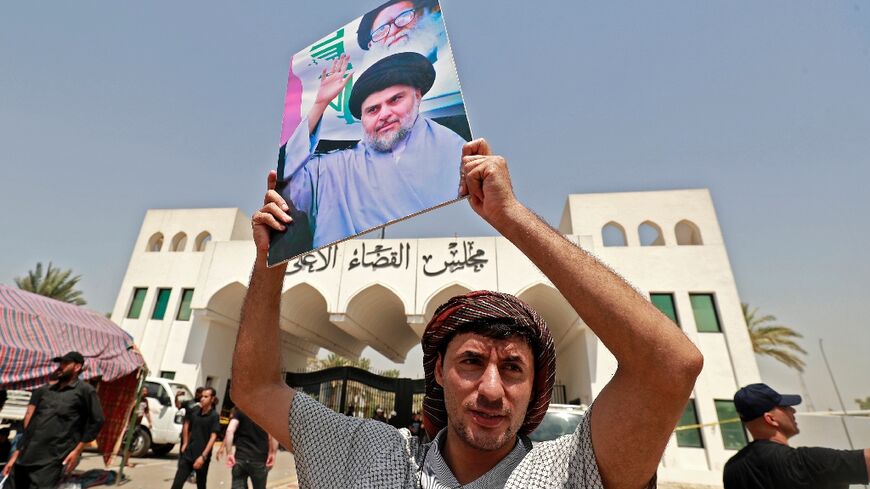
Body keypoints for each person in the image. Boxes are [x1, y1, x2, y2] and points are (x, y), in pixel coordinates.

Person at [233, 138, 705, 488]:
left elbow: (669, 365)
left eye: (514, 367)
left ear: (536, 383)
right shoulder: (369, 455)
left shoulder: (570, 471)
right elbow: (256, 389)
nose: (492, 390)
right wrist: (270, 259)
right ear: (437, 370)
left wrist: (511, 217)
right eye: (472, 362)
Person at [280, 51, 466, 249]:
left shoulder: (456, 148)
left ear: (417, 96)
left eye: (395, 100)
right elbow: (287, 179)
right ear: (362, 120)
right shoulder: (334, 168)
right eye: (373, 110)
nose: (384, 114)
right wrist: (319, 104)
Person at [723, 383, 869, 489]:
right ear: (771, 419)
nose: (793, 411)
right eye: (785, 407)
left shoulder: (732, 470)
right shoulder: (805, 462)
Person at [3, 351, 105, 489]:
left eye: (65, 363)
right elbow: (32, 425)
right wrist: (15, 456)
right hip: (24, 458)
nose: (60, 367)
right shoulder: (47, 391)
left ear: (77, 367)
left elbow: (97, 421)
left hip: (50, 461)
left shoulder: (85, 391)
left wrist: (77, 450)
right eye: (60, 363)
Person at [170, 387, 220, 489]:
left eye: (206, 397)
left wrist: (203, 456)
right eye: (202, 396)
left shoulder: (214, 416)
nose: (202, 399)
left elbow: (213, 437)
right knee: (177, 484)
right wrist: (185, 443)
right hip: (188, 454)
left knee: (201, 485)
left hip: (201, 456)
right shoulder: (195, 412)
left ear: (212, 399)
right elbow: (187, 426)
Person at [216, 408, 278, 489]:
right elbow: (274, 434)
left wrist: (229, 453)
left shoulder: (241, 411)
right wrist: (272, 453)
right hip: (259, 459)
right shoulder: (267, 413)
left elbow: (229, 430)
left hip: (240, 458)